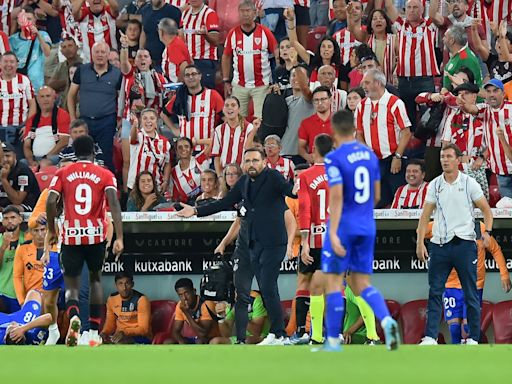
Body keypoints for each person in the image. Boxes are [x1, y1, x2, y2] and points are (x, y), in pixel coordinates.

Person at [178, 147, 298, 345]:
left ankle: (279, 334)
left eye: (255, 160)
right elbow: (224, 202)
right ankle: (277, 334)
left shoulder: (273, 177)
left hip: (274, 243)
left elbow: (290, 191)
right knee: (267, 287)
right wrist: (196, 211)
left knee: (268, 285)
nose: (251, 164)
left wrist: (297, 189)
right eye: (248, 161)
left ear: (264, 162)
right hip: (253, 244)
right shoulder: (243, 182)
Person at [320, 109, 399, 352]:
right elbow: (376, 195)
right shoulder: (369, 155)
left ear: (334, 129)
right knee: (362, 282)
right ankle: (387, 321)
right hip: (367, 226)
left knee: (333, 282)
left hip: (344, 225)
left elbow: (335, 195)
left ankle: (333, 341)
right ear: (354, 128)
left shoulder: (334, 158)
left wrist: (332, 231)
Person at [46, 135, 124, 347]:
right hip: (95, 236)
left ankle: (74, 318)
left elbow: (51, 201)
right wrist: (119, 236)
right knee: (95, 281)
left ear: (75, 152)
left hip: (71, 236)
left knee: (71, 283)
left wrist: (52, 229)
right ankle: (93, 332)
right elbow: (114, 203)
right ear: (93, 151)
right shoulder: (105, 174)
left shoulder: (62, 172)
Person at [416, 143, 494, 346]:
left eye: (449, 156)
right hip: (440, 244)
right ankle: (431, 336)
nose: (444, 160)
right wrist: (420, 243)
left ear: (458, 160)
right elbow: (425, 215)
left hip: (465, 244)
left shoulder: (469, 183)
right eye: (442, 156)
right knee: (435, 291)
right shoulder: (435, 184)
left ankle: (474, 338)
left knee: (470, 292)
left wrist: (489, 233)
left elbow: (486, 210)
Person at [424, 221, 511, 344]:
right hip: (451, 284)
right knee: (454, 329)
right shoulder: (442, 224)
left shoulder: (478, 228)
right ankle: (457, 359)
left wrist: (504, 274)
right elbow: (420, 231)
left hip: (474, 284)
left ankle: (481, 343)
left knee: (468, 327)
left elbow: (495, 249)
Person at [289, 134, 332, 345]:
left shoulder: (305, 176)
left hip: (315, 239)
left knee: (308, 284)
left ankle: (308, 333)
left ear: (314, 150)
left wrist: (304, 243)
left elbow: (305, 210)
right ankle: (336, 333)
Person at [356, 69, 412, 208]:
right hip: (374, 162)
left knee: (399, 199)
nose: (363, 86)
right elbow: (359, 133)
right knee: (375, 202)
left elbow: (406, 132)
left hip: (393, 158)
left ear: (379, 83)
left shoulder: (395, 103)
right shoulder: (361, 105)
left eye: (367, 82)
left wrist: (398, 157)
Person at [383, 0, 439, 132]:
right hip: (404, 81)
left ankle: (427, 148)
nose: (412, 10)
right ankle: (410, 149)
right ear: (405, 9)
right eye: (409, 7)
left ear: (422, 10)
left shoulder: (429, 24)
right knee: (407, 119)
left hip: (424, 80)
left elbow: (433, 10)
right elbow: (389, 6)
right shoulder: (400, 24)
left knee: (428, 118)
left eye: (415, 7)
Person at [67, 41, 122, 172]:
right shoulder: (82, 70)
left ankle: (108, 187)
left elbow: (122, 100)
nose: (100, 55)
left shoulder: (117, 74)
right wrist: (73, 118)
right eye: (97, 52)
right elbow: (71, 95)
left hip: (107, 122)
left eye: (103, 52)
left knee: (105, 157)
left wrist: (120, 121)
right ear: (91, 54)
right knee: (82, 155)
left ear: (108, 54)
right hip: (85, 120)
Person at [222, 0, 278, 118]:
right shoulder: (233, 33)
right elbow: (226, 56)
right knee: (237, 119)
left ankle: (258, 137)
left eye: (248, 11)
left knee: (261, 119)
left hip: (262, 85)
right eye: (242, 11)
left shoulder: (265, 32)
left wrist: (276, 79)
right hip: (239, 84)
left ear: (255, 13)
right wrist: (226, 80)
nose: (245, 14)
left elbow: (277, 53)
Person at [459, 78, 512, 198]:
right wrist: (462, 103)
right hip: (501, 172)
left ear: (503, 94)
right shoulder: (485, 110)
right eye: (488, 91)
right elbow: (471, 109)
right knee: (508, 209)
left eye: (495, 91)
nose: (492, 94)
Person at [162, 64, 224, 154]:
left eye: (194, 74)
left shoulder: (212, 95)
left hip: (207, 150)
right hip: (185, 151)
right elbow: (163, 114)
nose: (191, 77)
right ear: (184, 78)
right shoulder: (179, 97)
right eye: (187, 75)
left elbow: (225, 118)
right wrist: (174, 130)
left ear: (200, 76)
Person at [22, 86, 70, 166]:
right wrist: (31, 162)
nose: (45, 99)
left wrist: (46, 158)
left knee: (46, 163)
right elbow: (27, 146)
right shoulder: (32, 119)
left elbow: (63, 142)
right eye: (42, 96)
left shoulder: (62, 115)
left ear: (54, 98)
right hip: (35, 159)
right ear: (37, 99)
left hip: (54, 157)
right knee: (22, 163)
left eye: (48, 96)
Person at [100, 272, 151, 344]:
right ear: (115, 285)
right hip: (119, 336)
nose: (124, 288)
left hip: (140, 337)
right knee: (100, 342)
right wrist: (104, 333)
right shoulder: (112, 299)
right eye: (120, 283)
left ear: (132, 284)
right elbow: (110, 323)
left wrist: (124, 332)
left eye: (127, 283)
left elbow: (143, 330)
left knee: (120, 343)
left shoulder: (141, 300)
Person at [128, 108, 171, 193]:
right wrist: (135, 125)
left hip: (155, 187)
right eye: (145, 118)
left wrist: (165, 181)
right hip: (136, 187)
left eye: (152, 118)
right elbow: (133, 138)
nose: (148, 121)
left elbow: (167, 163)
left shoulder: (165, 142)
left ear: (156, 121)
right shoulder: (139, 136)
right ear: (141, 121)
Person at [9, 7, 51, 93]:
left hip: (36, 86)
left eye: (29, 19)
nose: (26, 22)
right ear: (18, 21)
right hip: (18, 86)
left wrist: (38, 35)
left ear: (35, 21)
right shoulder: (12, 40)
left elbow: (47, 53)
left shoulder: (43, 35)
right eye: (23, 19)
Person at [179, 0, 220, 89]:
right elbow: (181, 36)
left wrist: (205, 35)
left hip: (205, 61)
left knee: (205, 92)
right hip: (189, 61)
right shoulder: (185, 13)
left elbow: (216, 41)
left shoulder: (210, 14)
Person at [211, 96, 256, 175]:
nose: (229, 108)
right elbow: (217, 156)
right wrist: (220, 176)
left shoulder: (249, 128)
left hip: (243, 174)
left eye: (233, 105)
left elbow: (251, 153)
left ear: (239, 109)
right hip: (225, 175)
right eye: (227, 105)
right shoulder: (219, 130)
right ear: (223, 110)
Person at [0, 51, 36, 150]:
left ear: (17, 64)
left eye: (11, 62)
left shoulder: (24, 80)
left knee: (19, 160)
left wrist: (28, 126)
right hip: (1, 128)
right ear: (0, 63)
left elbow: (32, 105)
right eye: (5, 61)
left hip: (20, 129)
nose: (8, 65)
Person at [280, 65, 314, 163]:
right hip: (282, 153)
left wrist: (295, 64)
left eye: (300, 75)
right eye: (293, 75)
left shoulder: (309, 100)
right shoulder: (285, 101)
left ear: (307, 80)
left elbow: (305, 89)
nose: (296, 78)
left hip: (300, 155)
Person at [170, 278, 219, 344]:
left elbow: (203, 333)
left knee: (200, 341)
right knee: (168, 342)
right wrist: (181, 340)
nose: (184, 298)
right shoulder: (180, 305)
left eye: (186, 293)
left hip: (210, 339)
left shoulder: (206, 304)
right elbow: (175, 331)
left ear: (194, 291)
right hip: (194, 339)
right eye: (180, 295)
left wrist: (186, 313)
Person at [138, 0, 181, 71]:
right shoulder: (145, 10)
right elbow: (144, 32)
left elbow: (179, 36)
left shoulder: (174, 12)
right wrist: (141, 51)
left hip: (167, 61)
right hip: (149, 61)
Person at [0, 205, 26, 314]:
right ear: (2, 221)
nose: (9, 221)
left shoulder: (28, 239)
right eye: (6, 218)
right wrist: (3, 247)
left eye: (13, 217)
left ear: (20, 219)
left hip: (22, 295)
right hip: (2, 293)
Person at [441, 25, 482, 93]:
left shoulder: (466, 58)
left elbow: (471, 85)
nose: (443, 39)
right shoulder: (457, 56)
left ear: (452, 40)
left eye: (445, 36)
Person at [0, 142, 40, 212]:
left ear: (15, 156)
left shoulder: (23, 171)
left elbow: (17, 200)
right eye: (2, 157)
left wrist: (4, 179)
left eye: (8, 156)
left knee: (12, 209)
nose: (5, 160)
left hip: (26, 205)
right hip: (4, 204)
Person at [13, 222, 46, 305]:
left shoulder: (56, 248)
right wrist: (22, 301)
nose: (40, 234)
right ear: (31, 232)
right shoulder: (23, 249)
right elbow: (17, 276)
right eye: (36, 230)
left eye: (42, 230)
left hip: (52, 297)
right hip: (31, 297)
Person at [169, 136, 210, 203]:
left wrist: (196, 142)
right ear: (176, 151)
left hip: (207, 201)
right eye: (180, 147)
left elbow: (213, 141)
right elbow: (175, 197)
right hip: (189, 206)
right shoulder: (173, 172)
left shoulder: (199, 159)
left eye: (186, 146)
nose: (183, 149)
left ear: (191, 150)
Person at [298, 86, 333, 164]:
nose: (320, 103)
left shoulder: (338, 121)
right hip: (315, 165)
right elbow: (301, 147)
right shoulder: (306, 123)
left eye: (323, 99)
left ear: (330, 100)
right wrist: (308, 157)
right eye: (316, 100)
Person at [47, 37, 82, 104]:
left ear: (77, 48)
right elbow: (50, 85)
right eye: (64, 47)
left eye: (70, 46)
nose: (67, 49)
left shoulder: (84, 64)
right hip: (64, 104)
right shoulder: (60, 66)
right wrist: (67, 81)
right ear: (61, 52)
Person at [158, 17, 191, 83]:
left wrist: (179, 86)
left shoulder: (174, 46)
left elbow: (184, 67)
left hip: (175, 85)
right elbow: (191, 61)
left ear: (161, 32)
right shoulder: (176, 42)